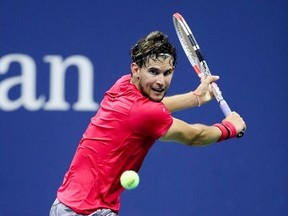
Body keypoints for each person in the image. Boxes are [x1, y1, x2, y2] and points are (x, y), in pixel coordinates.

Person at [50, 31, 246, 216]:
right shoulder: (147, 113)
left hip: (64, 205)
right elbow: (194, 136)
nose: (161, 81)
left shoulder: (123, 85)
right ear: (136, 69)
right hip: (88, 211)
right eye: (153, 72)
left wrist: (195, 98)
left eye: (167, 73)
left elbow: (152, 109)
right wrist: (229, 127)